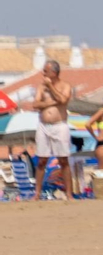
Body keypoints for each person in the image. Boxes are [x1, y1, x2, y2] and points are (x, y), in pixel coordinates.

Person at [27, 60, 77, 200]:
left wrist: (51, 87)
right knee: (42, 160)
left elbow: (63, 99)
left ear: (54, 73)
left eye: (46, 71)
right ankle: (37, 193)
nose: (43, 74)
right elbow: (35, 104)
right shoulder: (41, 87)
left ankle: (68, 193)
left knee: (63, 160)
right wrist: (51, 102)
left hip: (59, 124)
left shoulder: (65, 86)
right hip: (43, 125)